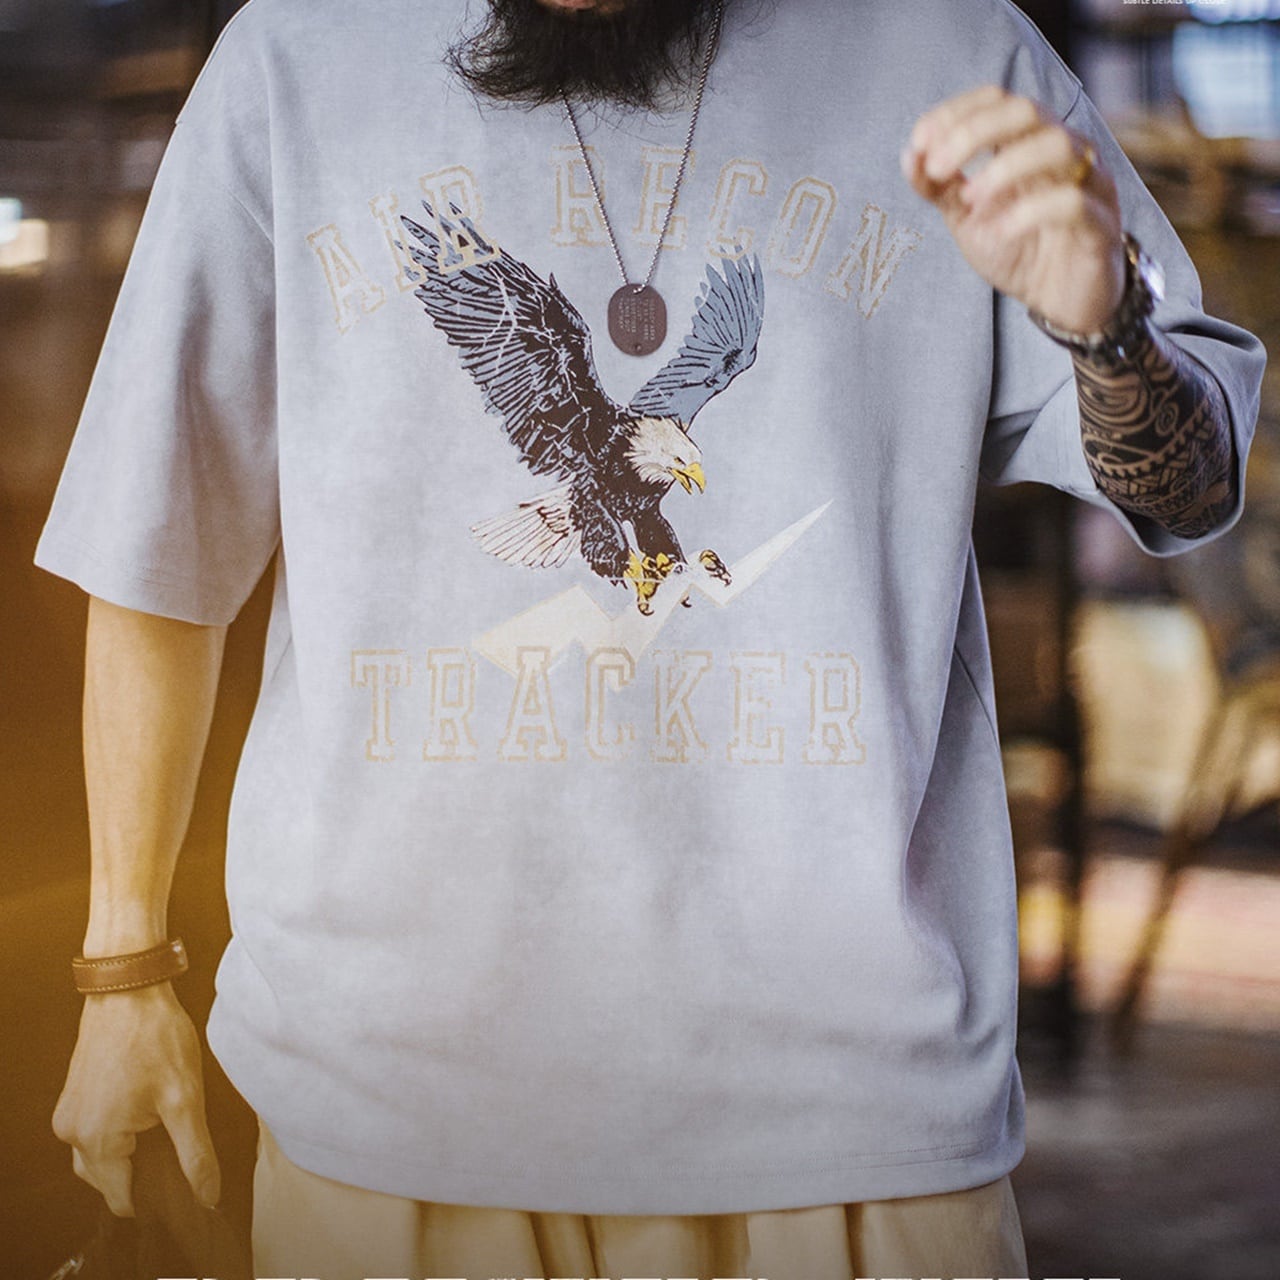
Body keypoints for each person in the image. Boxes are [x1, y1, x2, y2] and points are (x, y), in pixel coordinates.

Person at [37, 0, 1265, 1276]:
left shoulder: (955, 52)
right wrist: (123, 968)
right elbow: (154, 542)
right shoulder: (293, 56)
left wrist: (1105, 328)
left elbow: (1192, 488)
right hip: (384, 1099)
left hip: (850, 1112)